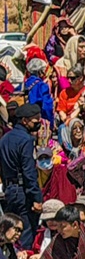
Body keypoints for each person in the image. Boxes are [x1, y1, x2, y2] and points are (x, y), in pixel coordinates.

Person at [0, 104, 45, 247]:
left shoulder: (5, 139)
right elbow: (29, 172)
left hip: (9, 190)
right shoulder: (26, 140)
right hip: (23, 192)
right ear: (24, 121)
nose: (39, 123)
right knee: (24, 232)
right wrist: (36, 198)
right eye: (35, 120)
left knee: (9, 231)